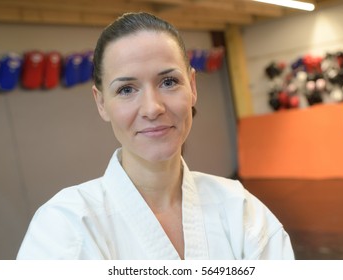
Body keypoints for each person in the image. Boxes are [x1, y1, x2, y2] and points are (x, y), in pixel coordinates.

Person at [17, 12, 294, 260]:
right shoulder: (65, 226)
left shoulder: (242, 213)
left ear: (193, 87)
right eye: (126, 89)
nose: (152, 108)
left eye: (169, 82)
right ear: (101, 103)